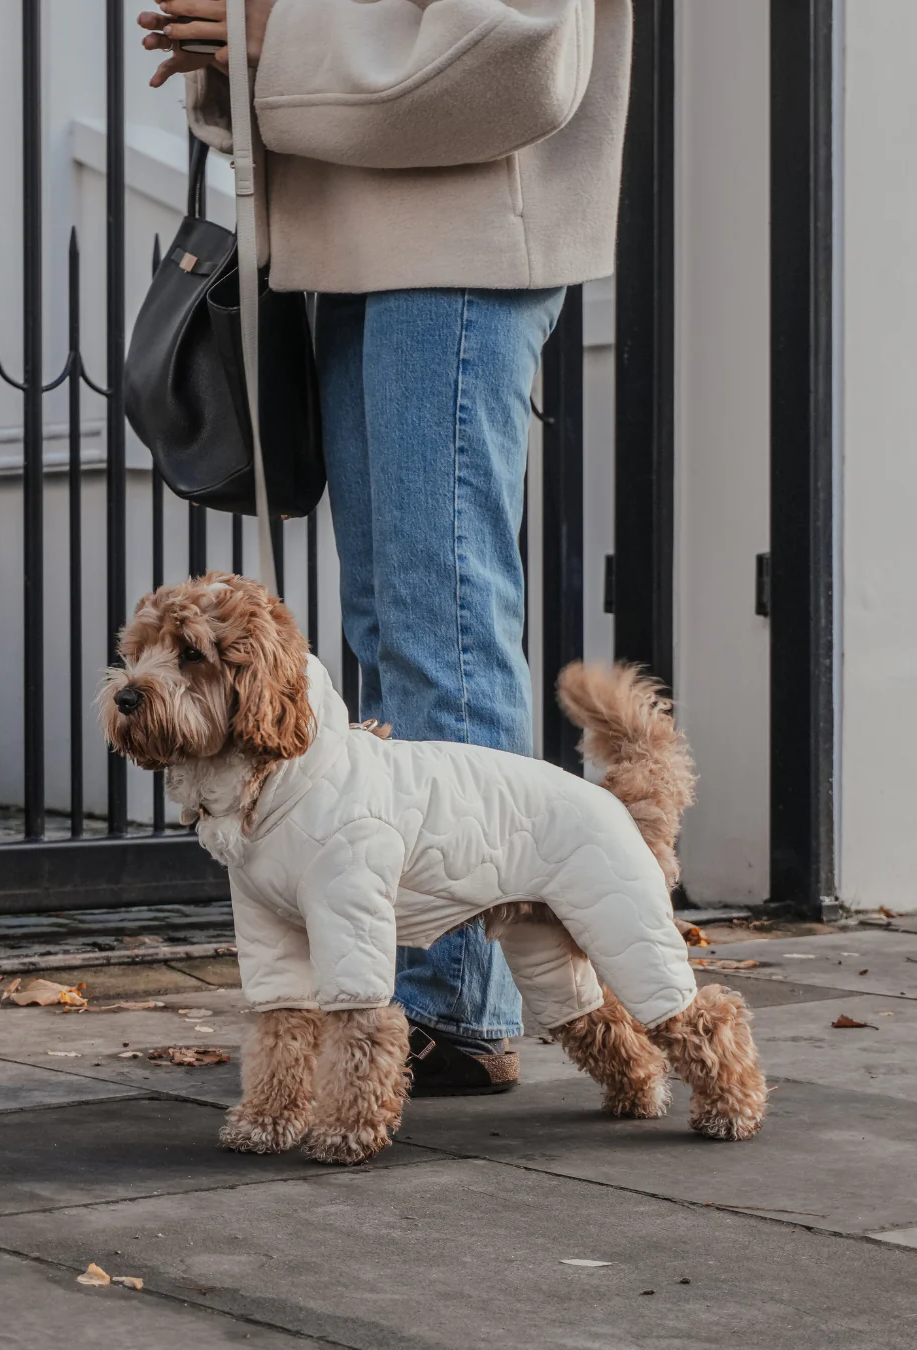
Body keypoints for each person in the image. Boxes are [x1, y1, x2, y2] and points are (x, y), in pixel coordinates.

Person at [138, 0, 633, 1094]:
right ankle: (443, 991)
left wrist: (274, 32)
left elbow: (518, 43)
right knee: (394, 616)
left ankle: (453, 1003)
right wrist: (227, 51)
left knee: (435, 616)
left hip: (456, 232)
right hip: (357, 239)